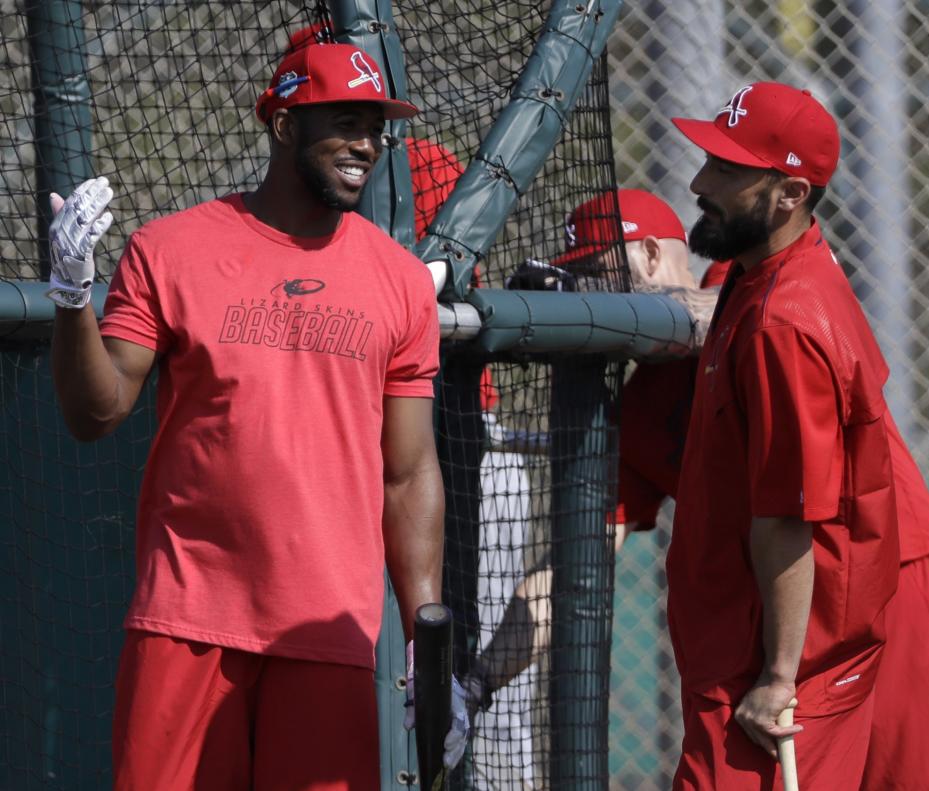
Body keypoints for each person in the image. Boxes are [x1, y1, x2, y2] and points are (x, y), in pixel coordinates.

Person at [45, 41, 467, 790]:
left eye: (376, 126)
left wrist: (427, 649)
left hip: (329, 630)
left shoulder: (401, 282)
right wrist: (74, 299)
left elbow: (408, 474)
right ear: (282, 125)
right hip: (186, 618)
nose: (367, 144)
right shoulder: (168, 249)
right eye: (346, 121)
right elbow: (96, 412)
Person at [666, 81, 901, 790]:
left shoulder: (784, 321)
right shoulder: (763, 275)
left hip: (768, 682)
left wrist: (776, 677)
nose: (700, 182)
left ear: (790, 193)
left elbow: (789, 517)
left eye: (730, 172)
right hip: (747, 655)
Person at [464, 188, 722, 713]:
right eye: (576, 279)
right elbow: (569, 568)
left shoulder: (735, 276)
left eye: (596, 271)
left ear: (651, 254)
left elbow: (722, 314)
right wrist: (476, 685)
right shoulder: (643, 412)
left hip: (891, 576)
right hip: (779, 622)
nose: (586, 292)